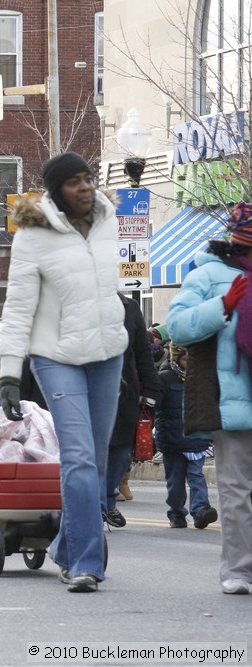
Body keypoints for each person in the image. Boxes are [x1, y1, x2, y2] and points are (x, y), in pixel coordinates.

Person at [0, 151, 127, 593]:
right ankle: (87, 563)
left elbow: (118, 283)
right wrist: (10, 375)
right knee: (78, 458)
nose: (85, 187)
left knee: (97, 459)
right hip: (55, 356)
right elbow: (17, 311)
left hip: (108, 353)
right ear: (56, 192)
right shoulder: (33, 237)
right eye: (73, 182)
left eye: (87, 178)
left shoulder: (111, 219)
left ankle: (67, 549)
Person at [166, 200, 252, 595]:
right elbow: (177, 327)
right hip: (233, 399)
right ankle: (239, 570)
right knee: (237, 490)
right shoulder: (210, 274)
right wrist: (223, 305)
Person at [103, 293, 161, 528]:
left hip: (123, 389)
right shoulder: (78, 299)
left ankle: (106, 498)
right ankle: (97, 504)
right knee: (93, 450)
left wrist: (151, 389)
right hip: (87, 388)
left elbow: (143, 353)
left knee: (122, 451)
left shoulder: (130, 307)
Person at [153, 342, 217, 530]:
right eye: (184, 357)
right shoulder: (164, 379)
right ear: (176, 358)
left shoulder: (200, 378)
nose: (188, 361)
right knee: (175, 481)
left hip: (196, 439)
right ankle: (176, 513)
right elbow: (154, 406)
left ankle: (201, 511)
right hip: (172, 441)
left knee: (196, 475)